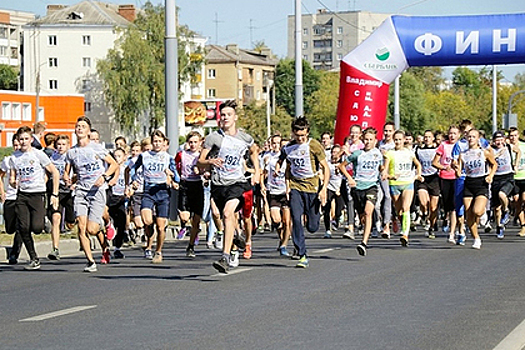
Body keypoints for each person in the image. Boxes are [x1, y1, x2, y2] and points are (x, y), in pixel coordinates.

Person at [198, 100, 259, 273]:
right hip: (218, 185)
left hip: (238, 183)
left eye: (228, 115)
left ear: (235, 117)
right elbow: (200, 162)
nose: (225, 118)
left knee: (227, 213)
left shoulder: (244, 138)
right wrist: (210, 161)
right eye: (222, 115)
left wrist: (257, 171)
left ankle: (225, 257)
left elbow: (254, 150)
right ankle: (237, 237)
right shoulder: (213, 138)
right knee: (227, 217)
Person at [64, 116, 119, 272]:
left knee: (92, 229)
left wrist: (104, 177)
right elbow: (67, 172)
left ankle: (107, 226)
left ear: (88, 131)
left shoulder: (97, 148)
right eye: (77, 126)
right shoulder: (71, 152)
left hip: (97, 191)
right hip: (81, 191)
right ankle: (90, 262)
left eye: (83, 126)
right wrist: (67, 178)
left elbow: (114, 164)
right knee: (81, 228)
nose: (79, 128)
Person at [276, 116, 330, 268]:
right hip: (295, 187)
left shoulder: (314, 145)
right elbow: (283, 162)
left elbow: (326, 168)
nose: (300, 138)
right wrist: (280, 174)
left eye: (303, 135)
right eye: (297, 135)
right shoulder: (288, 147)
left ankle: (315, 213)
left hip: (312, 186)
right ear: (293, 133)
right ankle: (302, 254)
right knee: (296, 219)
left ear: (307, 133)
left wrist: (324, 188)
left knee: (312, 227)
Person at [9, 126, 60, 270]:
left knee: (37, 228)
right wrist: (13, 182)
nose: (24, 142)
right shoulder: (14, 157)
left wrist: (55, 194)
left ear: (31, 139)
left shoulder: (38, 155)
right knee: (23, 227)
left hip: (37, 194)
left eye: (26, 139)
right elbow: (13, 177)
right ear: (18, 140)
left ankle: (43, 221)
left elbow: (54, 173)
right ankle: (34, 258)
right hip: (22, 195)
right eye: (21, 139)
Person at [129, 130, 179, 264]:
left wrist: (173, 176)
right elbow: (134, 168)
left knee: (161, 227)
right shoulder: (145, 155)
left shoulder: (168, 157)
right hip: (148, 191)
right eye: (155, 141)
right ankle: (149, 241)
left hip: (162, 192)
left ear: (163, 143)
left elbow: (177, 176)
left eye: (159, 141)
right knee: (147, 221)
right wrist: (133, 179)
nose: (157, 144)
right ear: (152, 142)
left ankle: (158, 251)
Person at [339, 127, 383, 256]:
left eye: (371, 140)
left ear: (375, 141)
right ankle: (365, 228)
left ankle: (364, 243)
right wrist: (349, 178)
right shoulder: (357, 154)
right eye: (366, 139)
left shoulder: (378, 154)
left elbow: (381, 167)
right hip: (357, 187)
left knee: (368, 212)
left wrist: (384, 171)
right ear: (363, 140)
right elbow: (342, 166)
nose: (368, 142)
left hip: (372, 186)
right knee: (363, 216)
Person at [455, 129, 497, 249]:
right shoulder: (463, 154)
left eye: (473, 137)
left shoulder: (483, 152)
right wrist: (455, 168)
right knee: (469, 215)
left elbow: (494, 164)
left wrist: (490, 176)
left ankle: (483, 214)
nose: (471, 139)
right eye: (469, 136)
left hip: (481, 182)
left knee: (477, 211)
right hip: (468, 183)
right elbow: (459, 173)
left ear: (478, 139)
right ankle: (476, 238)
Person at [383, 130, 422, 247]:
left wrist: (418, 175)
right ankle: (397, 220)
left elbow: (418, 164)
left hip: (408, 182)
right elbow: (385, 170)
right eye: (396, 139)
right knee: (400, 211)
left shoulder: (409, 152)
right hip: (394, 184)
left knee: (406, 208)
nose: (398, 142)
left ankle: (405, 234)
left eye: (400, 139)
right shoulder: (389, 153)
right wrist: (390, 176)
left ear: (404, 140)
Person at [175, 131, 205, 259]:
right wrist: (175, 179)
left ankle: (191, 245)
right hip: (185, 185)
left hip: (197, 186)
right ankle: (184, 226)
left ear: (200, 143)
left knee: (196, 221)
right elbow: (175, 167)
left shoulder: (202, 156)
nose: (193, 145)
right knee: (184, 216)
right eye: (191, 142)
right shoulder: (182, 155)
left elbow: (207, 169)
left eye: (195, 142)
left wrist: (203, 173)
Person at [261, 134, 291, 256]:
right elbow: (263, 173)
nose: (276, 145)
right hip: (273, 191)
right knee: (276, 219)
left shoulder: (288, 157)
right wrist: (262, 185)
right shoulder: (268, 157)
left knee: (287, 221)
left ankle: (284, 245)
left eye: (278, 143)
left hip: (285, 192)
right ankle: (282, 237)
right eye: (273, 143)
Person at [47, 135, 76, 260]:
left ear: (68, 145)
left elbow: (78, 173)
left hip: (69, 192)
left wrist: (73, 182)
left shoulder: (72, 157)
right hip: (56, 191)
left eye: (63, 144)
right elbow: (47, 174)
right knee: (56, 219)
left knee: (70, 222)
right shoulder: (52, 158)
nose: (60, 147)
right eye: (58, 144)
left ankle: (78, 229)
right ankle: (55, 249)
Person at [433, 125, 460, 243]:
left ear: (459, 135)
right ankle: (448, 220)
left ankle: (452, 233)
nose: (452, 135)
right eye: (450, 133)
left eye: (454, 133)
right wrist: (444, 167)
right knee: (448, 206)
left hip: (458, 178)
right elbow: (434, 162)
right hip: (445, 178)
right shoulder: (443, 145)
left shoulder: (462, 146)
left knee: (455, 207)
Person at [490, 130, 520, 239]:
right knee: (496, 208)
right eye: (496, 140)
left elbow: (518, 152)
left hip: (507, 176)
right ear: (493, 141)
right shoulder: (491, 150)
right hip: (496, 177)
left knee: (502, 194)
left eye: (501, 139)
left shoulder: (508, 147)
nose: (499, 142)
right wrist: (498, 154)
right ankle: (499, 226)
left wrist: (515, 165)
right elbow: (489, 159)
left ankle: (506, 210)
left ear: (504, 139)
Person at [0, 135, 22, 264]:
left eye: (19, 144)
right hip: (10, 196)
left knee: (21, 227)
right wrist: (2, 191)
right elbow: (0, 175)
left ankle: (14, 254)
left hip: (23, 196)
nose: (17, 147)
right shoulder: (8, 160)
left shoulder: (30, 158)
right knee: (10, 228)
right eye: (15, 145)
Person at [415, 130, 440, 239]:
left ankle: (431, 226)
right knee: (423, 202)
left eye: (429, 137)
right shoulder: (418, 149)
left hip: (434, 178)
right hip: (423, 178)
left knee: (433, 206)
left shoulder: (437, 150)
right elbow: (415, 163)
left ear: (433, 138)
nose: (427, 139)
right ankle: (424, 214)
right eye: (425, 137)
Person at [107, 148, 129, 259]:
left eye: (119, 156)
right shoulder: (110, 168)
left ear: (125, 157)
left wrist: (129, 189)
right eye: (115, 156)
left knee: (121, 222)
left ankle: (117, 248)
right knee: (108, 218)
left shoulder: (126, 169)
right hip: (110, 197)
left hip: (121, 199)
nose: (117, 158)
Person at [323, 144, 345, 239]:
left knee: (339, 209)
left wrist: (339, 189)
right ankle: (328, 229)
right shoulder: (328, 164)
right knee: (326, 208)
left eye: (336, 152)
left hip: (339, 187)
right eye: (333, 152)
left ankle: (337, 218)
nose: (334, 154)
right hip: (329, 186)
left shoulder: (343, 164)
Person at [377, 122, 395, 237]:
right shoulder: (379, 144)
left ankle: (387, 225)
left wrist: (386, 155)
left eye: (390, 131)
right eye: (385, 131)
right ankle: (379, 220)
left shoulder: (395, 145)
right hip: (379, 175)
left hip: (391, 176)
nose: (387, 133)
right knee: (376, 203)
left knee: (388, 198)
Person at [509, 127, 525, 236]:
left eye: (515, 135)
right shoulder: (506, 147)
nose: (513, 138)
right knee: (517, 202)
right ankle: (523, 226)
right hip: (513, 178)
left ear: (518, 136)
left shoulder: (524, 146)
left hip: (524, 176)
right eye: (511, 136)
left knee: (524, 199)